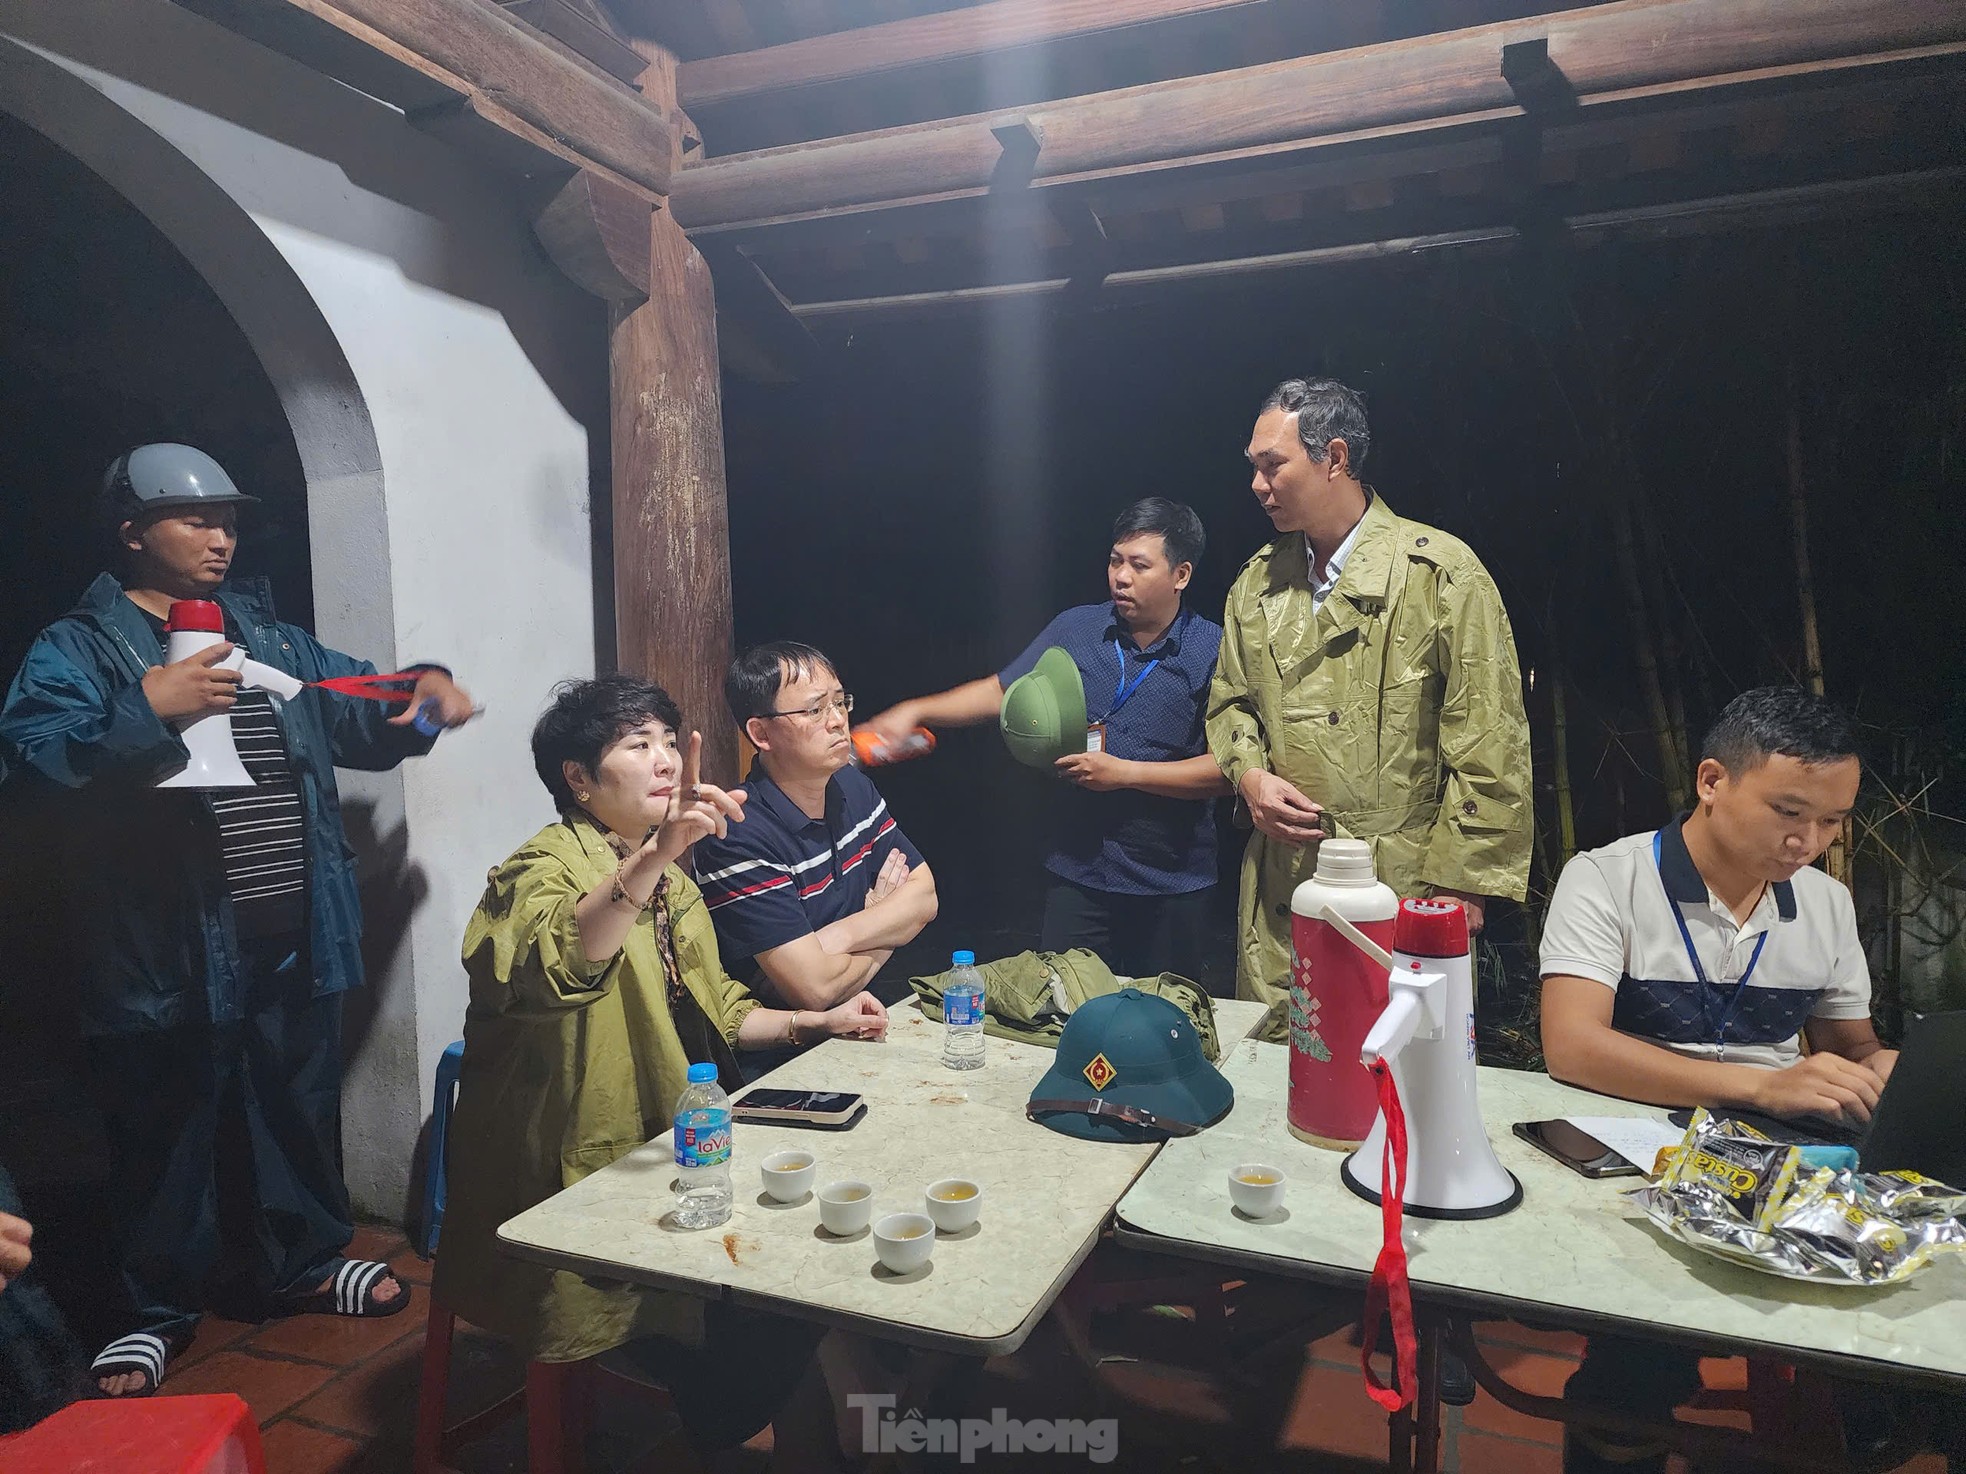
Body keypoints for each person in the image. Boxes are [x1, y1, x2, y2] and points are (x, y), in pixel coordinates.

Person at [0, 443, 475, 1396]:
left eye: (229, 518)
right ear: (133, 533)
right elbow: (33, 774)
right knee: (162, 1132)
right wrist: (147, 710)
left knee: (291, 1108)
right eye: (196, 519)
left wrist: (422, 699)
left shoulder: (270, 637)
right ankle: (152, 1311)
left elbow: (363, 717)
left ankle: (299, 1262)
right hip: (160, 944)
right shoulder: (81, 647)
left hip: (289, 922)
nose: (221, 536)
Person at [434, 675, 884, 1467]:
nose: (666, 760)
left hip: (671, 1144)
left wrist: (818, 1020)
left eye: (670, 741)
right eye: (638, 745)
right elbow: (569, 957)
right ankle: (728, 1428)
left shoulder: (670, 879)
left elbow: (721, 1008)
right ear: (578, 778)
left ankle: (749, 1424)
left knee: (820, 1262)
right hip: (563, 1173)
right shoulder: (538, 870)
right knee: (768, 1308)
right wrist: (658, 853)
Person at [1539, 687, 1909, 1473]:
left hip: (1779, 1155)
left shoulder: (1827, 905)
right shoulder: (1607, 879)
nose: (1808, 841)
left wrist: (1882, 1071)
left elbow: (1848, 1042)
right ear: (1712, 781)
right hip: (1631, 1155)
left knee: (1887, 1336)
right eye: (1789, 812)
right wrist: (1762, 1085)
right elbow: (1571, 1047)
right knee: (1633, 1372)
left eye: (1833, 821)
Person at [1207, 377, 1532, 1009]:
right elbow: (1231, 703)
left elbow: (1490, 736)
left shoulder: (1437, 573)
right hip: (1285, 882)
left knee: (1394, 1067)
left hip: (1402, 880)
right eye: (1253, 467)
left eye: (1273, 465)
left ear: (1334, 458)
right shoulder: (1255, 584)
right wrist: (1248, 775)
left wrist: (1462, 886)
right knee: (1280, 1063)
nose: (1257, 484)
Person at [866, 499, 1230, 981]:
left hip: (1172, 882)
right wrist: (918, 709)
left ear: (1180, 574)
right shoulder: (1078, 628)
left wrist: (1124, 774)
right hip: (1079, 873)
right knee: (1063, 1013)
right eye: (1115, 560)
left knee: (1162, 1027)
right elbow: (1001, 691)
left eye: (1140, 565)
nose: (1121, 576)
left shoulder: (1214, 649)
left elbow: (1227, 770)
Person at [695, 643, 937, 1021]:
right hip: (782, 1054)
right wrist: (888, 924)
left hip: (860, 1019)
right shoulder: (737, 833)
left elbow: (925, 898)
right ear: (761, 734)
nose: (838, 720)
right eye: (815, 709)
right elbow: (814, 990)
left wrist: (834, 939)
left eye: (840, 703)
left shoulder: (851, 787)